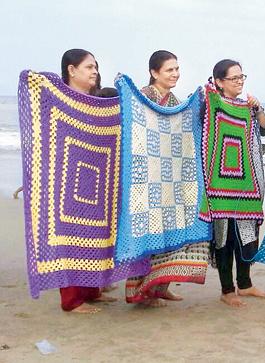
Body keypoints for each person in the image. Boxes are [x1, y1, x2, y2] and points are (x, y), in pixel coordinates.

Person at [125, 50, 210, 307]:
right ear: (154, 73)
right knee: (149, 233)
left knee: (171, 230)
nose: (175, 74)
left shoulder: (174, 100)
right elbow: (135, 128)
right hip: (146, 176)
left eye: (176, 69)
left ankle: (162, 286)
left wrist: (202, 104)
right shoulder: (143, 96)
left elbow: (184, 130)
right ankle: (140, 292)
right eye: (169, 70)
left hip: (171, 177)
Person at [58, 48, 117, 313]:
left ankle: (92, 290)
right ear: (72, 70)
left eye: (95, 67)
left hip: (97, 179)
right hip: (68, 179)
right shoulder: (61, 99)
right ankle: (71, 300)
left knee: (95, 234)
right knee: (72, 236)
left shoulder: (96, 101)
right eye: (89, 67)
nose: (94, 71)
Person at [209, 59, 265, 307]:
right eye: (234, 78)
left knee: (247, 234)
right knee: (224, 237)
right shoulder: (212, 106)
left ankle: (245, 284)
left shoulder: (247, 105)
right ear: (219, 81)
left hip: (248, 182)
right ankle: (227, 290)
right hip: (222, 184)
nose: (239, 81)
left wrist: (258, 109)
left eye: (241, 76)